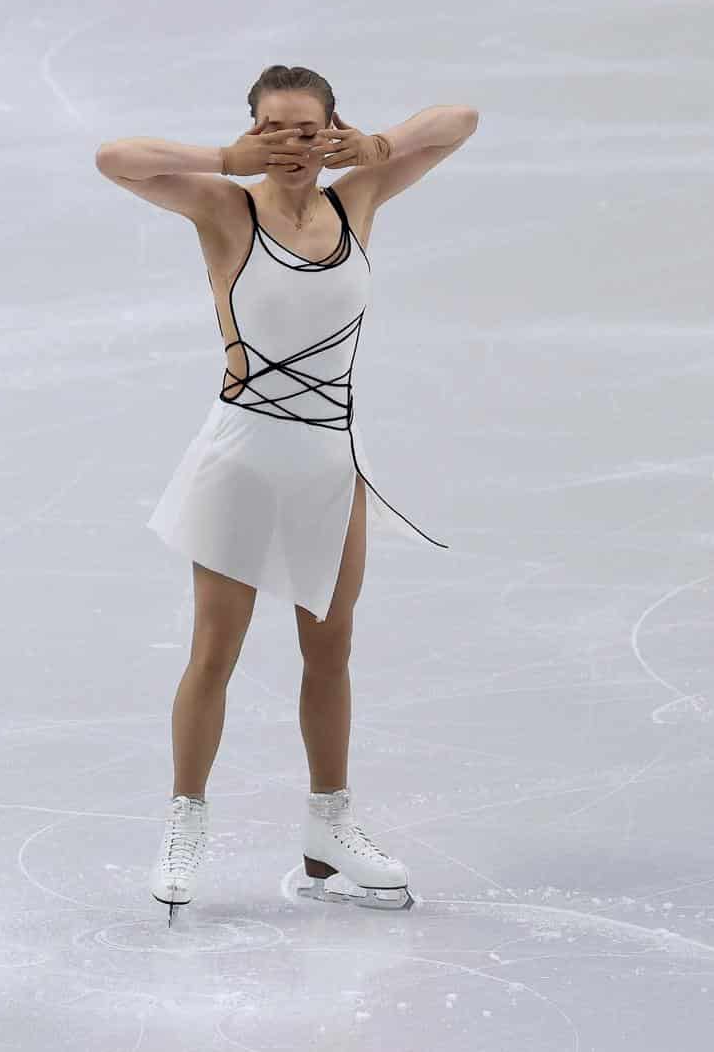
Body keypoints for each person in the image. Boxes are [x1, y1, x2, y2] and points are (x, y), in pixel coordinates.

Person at [93, 65, 478, 921]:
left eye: (307, 131)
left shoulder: (360, 198)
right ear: (252, 131)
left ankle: (329, 826)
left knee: (329, 650)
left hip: (331, 464)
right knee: (214, 653)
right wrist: (226, 158)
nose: (291, 147)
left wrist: (378, 147)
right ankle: (185, 821)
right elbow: (116, 158)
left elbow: (459, 119)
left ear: (333, 129)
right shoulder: (226, 209)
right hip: (241, 459)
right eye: (273, 129)